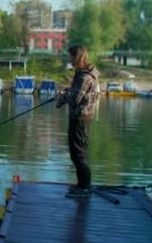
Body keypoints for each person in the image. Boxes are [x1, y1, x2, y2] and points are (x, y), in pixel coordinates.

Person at [56, 45, 99, 198]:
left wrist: (61, 97)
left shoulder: (84, 77)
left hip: (81, 118)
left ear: (76, 57)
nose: (69, 60)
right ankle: (82, 185)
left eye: (70, 57)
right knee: (78, 153)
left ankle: (85, 188)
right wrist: (66, 92)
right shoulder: (83, 74)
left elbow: (75, 99)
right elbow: (75, 93)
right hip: (80, 117)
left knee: (79, 154)